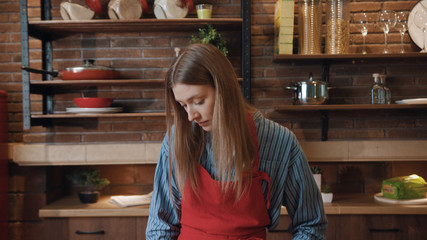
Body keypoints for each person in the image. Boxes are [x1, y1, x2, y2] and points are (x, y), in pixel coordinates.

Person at [146, 43, 327, 240]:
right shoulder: (176, 140)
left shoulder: (280, 142)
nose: (190, 116)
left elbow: (311, 225)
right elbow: (160, 228)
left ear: (225, 89)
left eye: (198, 101)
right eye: (183, 106)